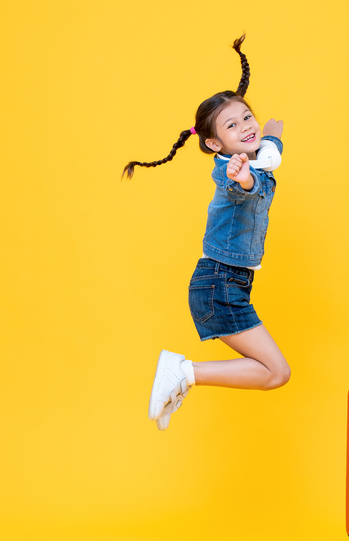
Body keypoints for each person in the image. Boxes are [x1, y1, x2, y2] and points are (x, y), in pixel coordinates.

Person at [122, 35, 290, 431]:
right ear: (214, 143)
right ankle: (184, 372)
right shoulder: (231, 170)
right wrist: (243, 178)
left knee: (274, 373)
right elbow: (245, 186)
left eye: (247, 117)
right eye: (232, 126)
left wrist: (272, 136)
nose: (246, 126)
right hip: (219, 284)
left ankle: (184, 375)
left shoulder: (256, 157)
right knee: (275, 372)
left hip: (227, 282)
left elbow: (267, 156)